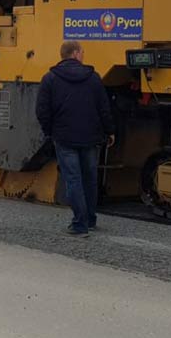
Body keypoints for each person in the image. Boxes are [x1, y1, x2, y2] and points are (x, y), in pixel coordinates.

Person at [36, 41, 115, 236]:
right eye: (83, 52)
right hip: (90, 137)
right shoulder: (94, 78)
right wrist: (109, 131)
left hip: (64, 137)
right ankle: (90, 219)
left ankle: (79, 224)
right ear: (76, 54)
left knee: (73, 180)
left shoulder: (50, 79)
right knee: (90, 179)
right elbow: (104, 108)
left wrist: (50, 131)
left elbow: (42, 111)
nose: (84, 55)